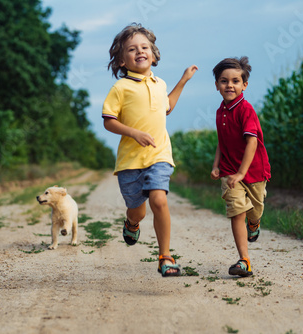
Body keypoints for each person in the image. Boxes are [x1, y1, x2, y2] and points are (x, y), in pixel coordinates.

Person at [102, 23, 198, 277]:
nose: (140, 51)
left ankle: (165, 256)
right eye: (132, 49)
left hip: (159, 155)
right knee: (138, 209)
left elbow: (167, 106)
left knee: (159, 200)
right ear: (122, 60)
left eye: (145, 47)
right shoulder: (120, 88)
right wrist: (134, 133)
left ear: (154, 55)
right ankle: (132, 223)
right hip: (130, 161)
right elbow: (108, 120)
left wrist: (183, 80)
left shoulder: (159, 83)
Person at [210, 57, 271, 277]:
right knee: (237, 212)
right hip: (229, 171)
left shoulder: (245, 110)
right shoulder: (220, 112)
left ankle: (254, 224)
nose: (229, 85)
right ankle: (244, 260)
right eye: (224, 81)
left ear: (244, 84)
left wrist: (242, 172)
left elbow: (252, 141)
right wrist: (217, 166)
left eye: (235, 81)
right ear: (216, 84)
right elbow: (222, 141)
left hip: (253, 172)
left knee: (255, 211)